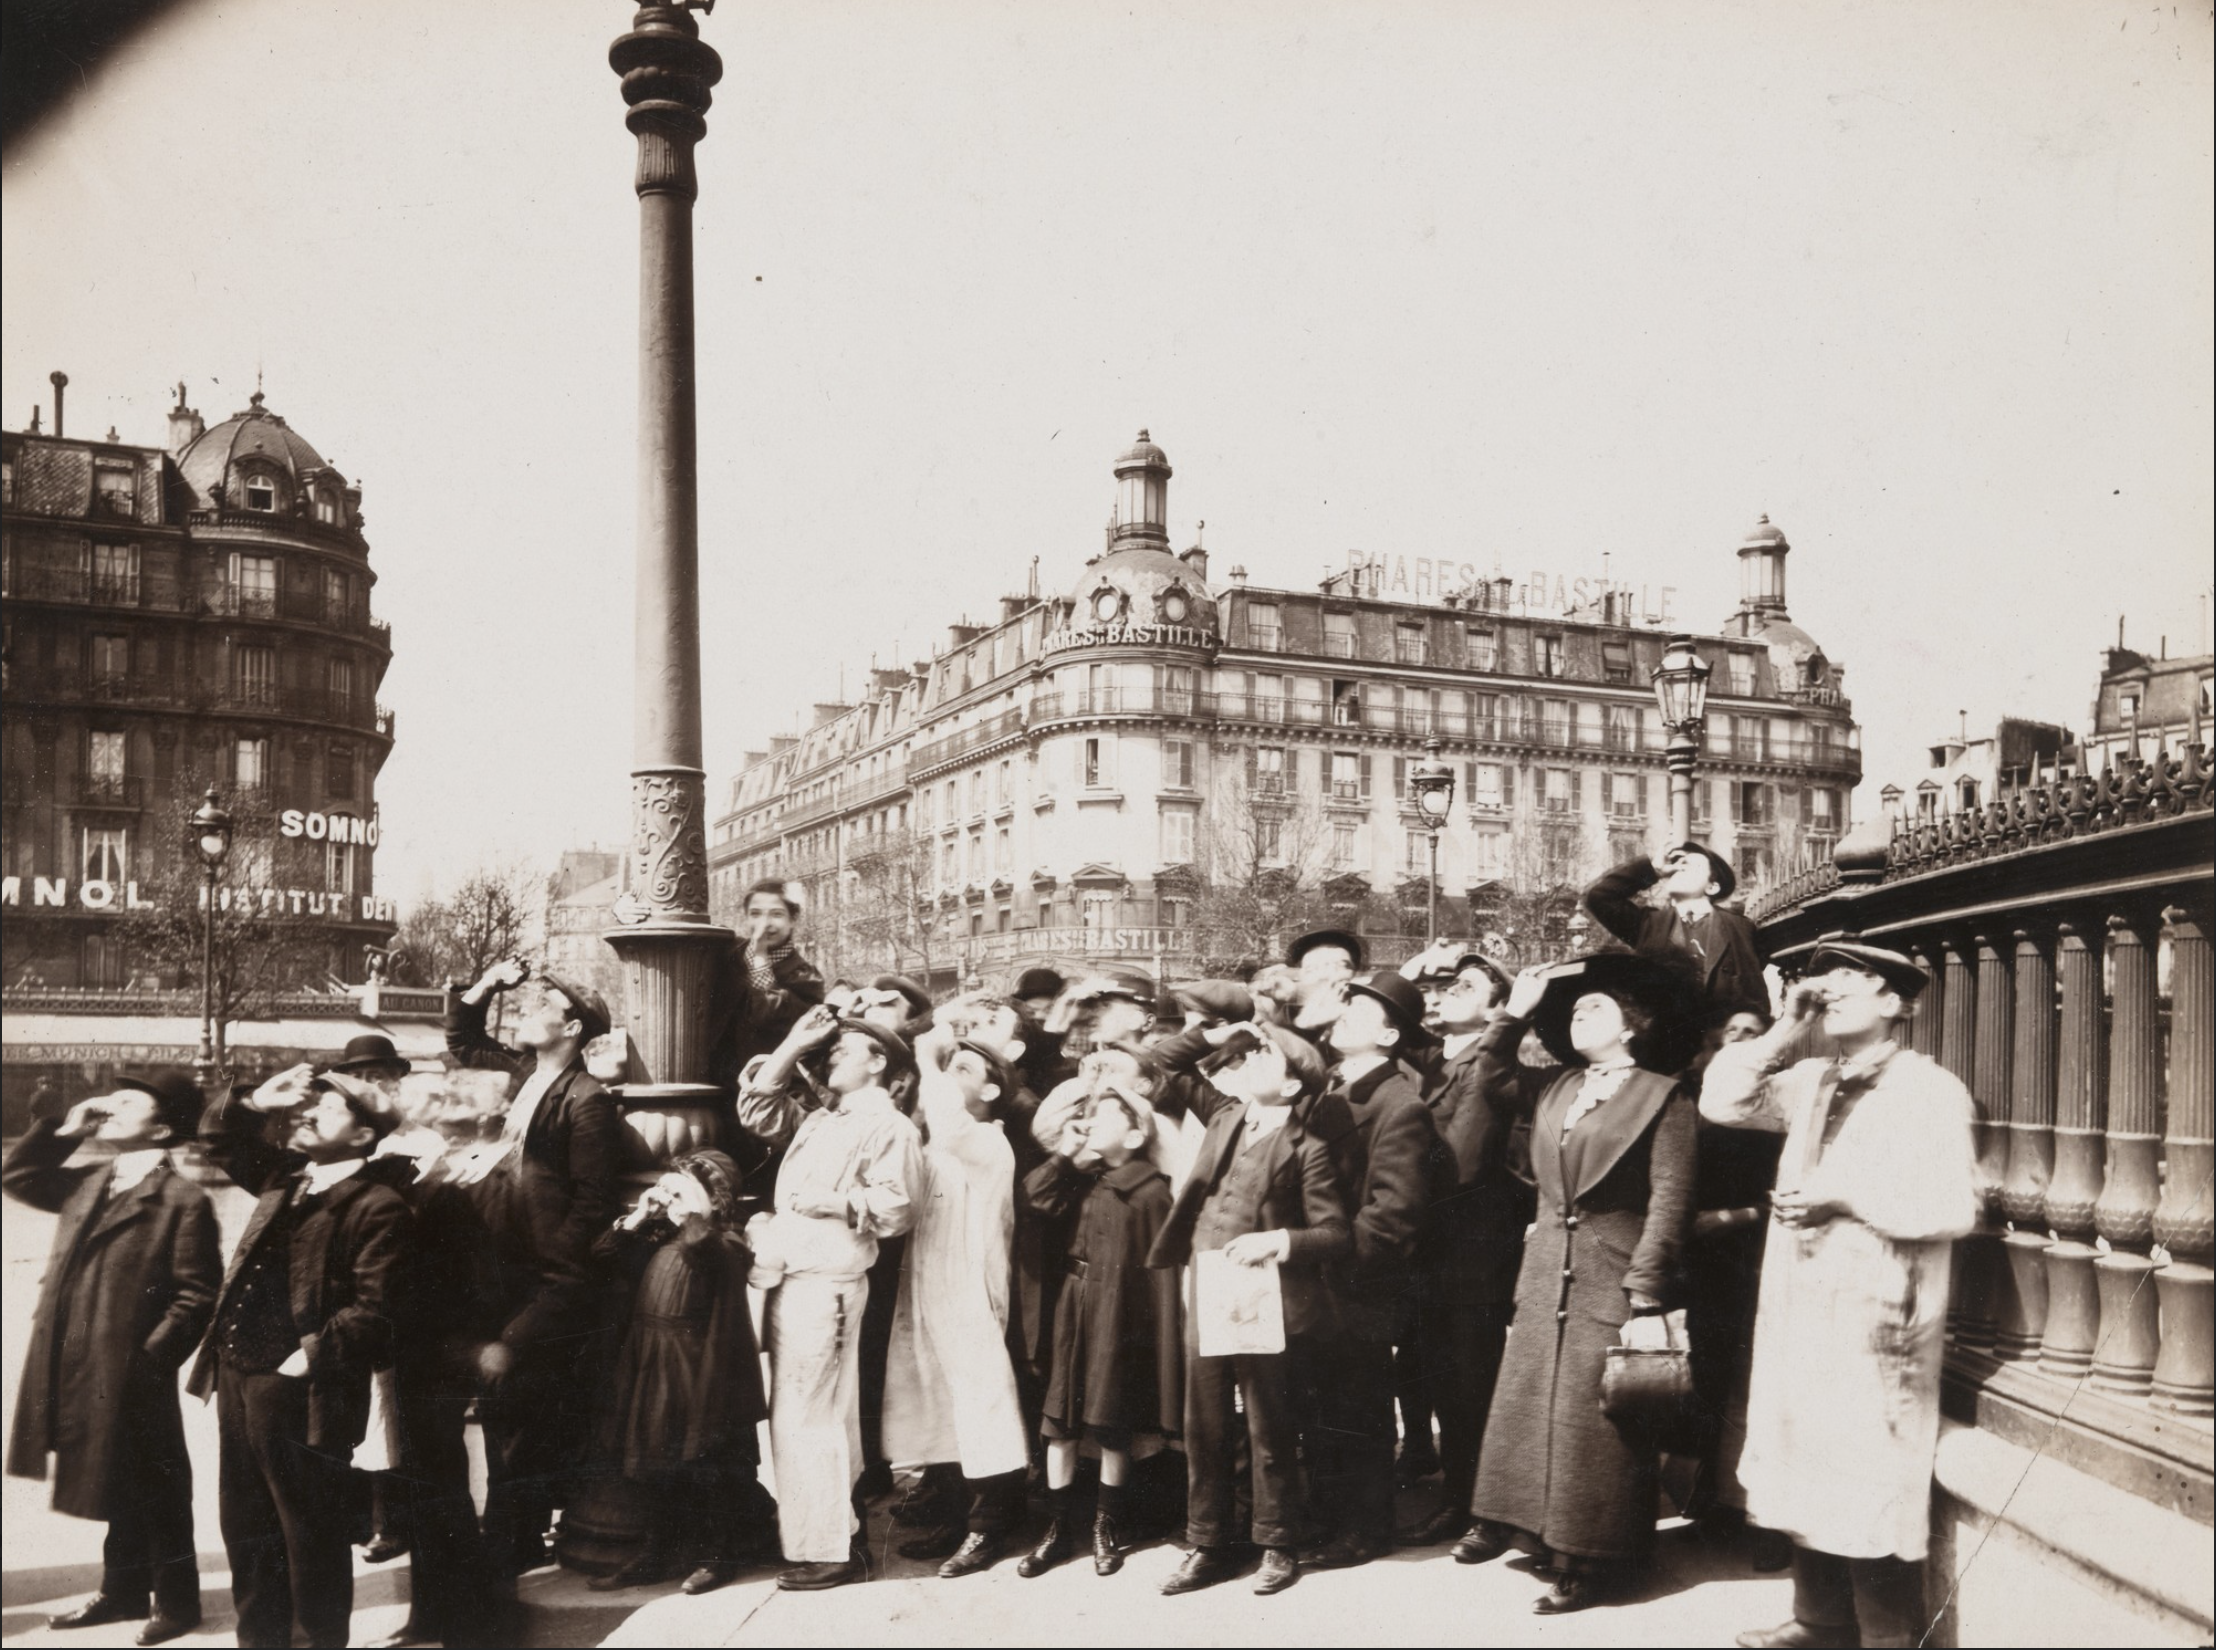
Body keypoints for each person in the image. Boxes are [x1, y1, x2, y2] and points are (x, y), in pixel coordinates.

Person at [1701, 943, 1979, 1650]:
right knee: (1806, 1460)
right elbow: (1723, 1100)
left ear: (1899, 1004)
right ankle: (1819, 1620)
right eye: (1833, 980)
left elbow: (1953, 1206)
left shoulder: (1930, 1089)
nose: (1839, 989)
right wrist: (1782, 1029)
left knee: (1870, 1476)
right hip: (1805, 1303)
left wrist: (1845, 1197)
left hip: (1880, 1313)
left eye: (1862, 979)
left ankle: (1889, 1637)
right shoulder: (1813, 1078)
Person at [1456, 956, 1701, 1615]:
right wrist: (1511, 1015)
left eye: (1594, 1008)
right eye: (1574, 1009)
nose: (1577, 1015)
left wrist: (1644, 1290)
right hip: (1545, 1273)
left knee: (1599, 1424)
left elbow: (1670, 1201)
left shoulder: (1664, 1095)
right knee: (1538, 1409)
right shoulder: (1560, 1086)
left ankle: (1594, 1560)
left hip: (1612, 1273)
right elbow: (1492, 1078)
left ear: (1632, 1028)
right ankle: (1542, 1534)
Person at [193, 1067, 411, 1650]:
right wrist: (257, 1100)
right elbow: (218, 1139)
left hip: (302, 1388)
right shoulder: (289, 1176)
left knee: (307, 1534)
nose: (308, 1112)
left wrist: (307, 1357)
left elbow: (376, 1308)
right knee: (246, 1527)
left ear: (364, 1136)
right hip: (239, 1375)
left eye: (328, 1109)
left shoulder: (377, 1203)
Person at [5, 1074, 219, 1647]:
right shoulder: (92, 1178)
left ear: (163, 1127)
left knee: (157, 1478)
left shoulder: (183, 1198)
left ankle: (178, 1601)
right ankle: (122, 1590)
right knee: (115, 1471)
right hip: (73, 1359)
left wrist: (149, 1361)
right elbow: (18, 1176)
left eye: (130, 1101)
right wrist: (60, 1129)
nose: (111, 1105)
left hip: (131, 1367)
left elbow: (197, 1296)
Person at [1147, 1021, 1350, 1598]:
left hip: (1268, 1297)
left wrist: (1278, 1241)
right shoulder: (1226, 1115)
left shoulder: (1306, 1147)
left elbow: (1336, 1232)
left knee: (1269, 1421)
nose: (1251, 1059)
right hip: (1208, 1284)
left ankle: (1277, 1542)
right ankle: (1209, 1542)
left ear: (1291, 1088)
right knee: (1204, 1420)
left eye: (1267, 1057)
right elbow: (1167, 1058)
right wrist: (1221, 1035)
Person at [442, 959, 620, 1577]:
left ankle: (513, 1536)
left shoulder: (588, 1099)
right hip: (502, 1268)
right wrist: (487, 983)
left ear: (571, 1027)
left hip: (545, 1279)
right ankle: (514, 1531)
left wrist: (548, 1272)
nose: (524, 1009)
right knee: (502, 1404)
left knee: (520, 1404)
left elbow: (593, 1203)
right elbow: (463, 1040)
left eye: (539, 1003)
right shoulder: (524, 1075)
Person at [742, 1013, 924, 1591]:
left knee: (812, 1418)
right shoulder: (824, 1117)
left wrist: (834, 1202)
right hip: (797, 1281)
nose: (834, 1055)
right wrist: (795, 1040)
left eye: (848, 1049)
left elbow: (900, 1208)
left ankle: (833, 1549)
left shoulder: (887, 1125)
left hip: (829, 1286)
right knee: (802, 1416)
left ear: (879, 1063)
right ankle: (827, 1537)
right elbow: (757, 1109)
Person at [1299, 970, 1447, 1571]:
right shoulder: (1328, 1089)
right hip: (1316, 1278)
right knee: (1323, 1407)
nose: (1342, 1014)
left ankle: (1364, 1527)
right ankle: (1329, 1517)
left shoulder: (1399, 1104)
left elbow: (1392, 1215)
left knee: (1357, 1410)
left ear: (1389, 1037)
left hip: (1355, 1285)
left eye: (1359, 1009)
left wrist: (1332, 1263)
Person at [881, 1025, 1033, 1578]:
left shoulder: (987, 1140)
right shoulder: (938, 1140)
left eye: (964, 1070)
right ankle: (952, 1513)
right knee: (934, 1396)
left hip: (968, 1287)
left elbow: (945, 1119)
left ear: (993, 1091)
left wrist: (927, 1053)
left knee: (979, 1401)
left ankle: (990, 1525)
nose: (948, 1077)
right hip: (927, 1279)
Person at [1393, 943, 1531, 1548]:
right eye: (1448, 984)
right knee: (1435, 1372)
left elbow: (1467, 1155)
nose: (1449, 991)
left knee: (1469, 1380)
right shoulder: (1441, 1056)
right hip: (1431, 1245)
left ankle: (1482, 1509)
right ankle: (1461, 1491)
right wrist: (1407, 974)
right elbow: (1385, 1026)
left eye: (1469, 988)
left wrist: (1510, 1021)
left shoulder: (1491, 1061)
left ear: (1498, 1009)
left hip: (1473, 1247)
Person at [1015, 1085, 1182, 1579]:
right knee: (1060, 1421)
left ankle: (1104, 1525)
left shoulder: (1151, 1190)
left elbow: (1160, 1276)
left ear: (1134, 1135)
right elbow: (1034, 1198)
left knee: (1112, 1423)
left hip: (1119, 1313)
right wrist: (1066, 1151)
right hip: (1074, 1305)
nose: (1090, 1122)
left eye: (1103, 1116)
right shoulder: (1078, 1178)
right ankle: (1057, 1529)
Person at [587, 1151, 771, 1596]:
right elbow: (600, 1257)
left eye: (681, 1192)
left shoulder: (724, 1242)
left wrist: (691, 1216)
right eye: (668, 1190)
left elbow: (710, 1255)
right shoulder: (660, 1237)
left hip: (696, 1369)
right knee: (652, 1461)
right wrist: (638, 1217)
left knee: (706, 1465)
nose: (670, 1201)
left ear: (714, 1199)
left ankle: (716, 1556)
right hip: (650, 1358)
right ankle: (657, 1551)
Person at [1585, 844, 1769, 1024]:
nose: (1678, 867)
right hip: (1668, 1044)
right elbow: (1599, 897)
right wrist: (1653, 870)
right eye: (1676, 864)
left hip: (1720, 1044)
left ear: (1712, 887)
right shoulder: (1648, 925)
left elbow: (1753, 992)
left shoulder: (1739, 927)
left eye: (1688, 864)